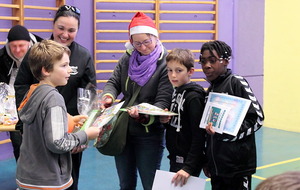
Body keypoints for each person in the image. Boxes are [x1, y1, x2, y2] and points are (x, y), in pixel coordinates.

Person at [14, 5, 96, 190]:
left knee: (68, 175)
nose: (65, 34)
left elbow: (89, 92)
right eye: (61, 28)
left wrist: (78, 127)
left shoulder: (83, 55)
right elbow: (21, 86)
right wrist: (26, 121)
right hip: (41, 130)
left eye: (71, 30)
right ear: (53, 25)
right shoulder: (37, 53)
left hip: (71, 129)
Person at [100, 12, 173, 190]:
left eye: (147, 42)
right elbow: (114, 81)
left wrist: (144, 117)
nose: (142, 47)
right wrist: (108, 96)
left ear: (155, 37)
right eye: (137, 43)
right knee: (125, 183)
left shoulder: (165, 63)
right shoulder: (128, 58)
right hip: (123, 130)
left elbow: (163, 100)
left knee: (150, 184)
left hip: (149, 135)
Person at [199, 40, 265, 190]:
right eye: (203, 61)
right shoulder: (210, 91)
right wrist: (207, 160)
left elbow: (257, 118)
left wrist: (228, 135)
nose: (207, 65)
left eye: (212, 60)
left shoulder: (236, 82)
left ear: (226, 61)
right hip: (217, 168)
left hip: (237, 167)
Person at [160, 48, 206, 186]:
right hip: (176, 156)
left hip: (187, 161)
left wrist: (189, 167)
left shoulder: (194, 97)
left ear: (190, 72)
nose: (173, 75)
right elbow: (179, 123)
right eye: (169, 70)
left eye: (179, 70)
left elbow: (199, 135)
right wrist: (166, 122)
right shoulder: (176, 92)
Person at [0, 25, 42, 161]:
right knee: (18, 142)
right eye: (13, 46)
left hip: (36, 100)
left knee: (39, 143)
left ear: (29, 44)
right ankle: (23, 174)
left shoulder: (42, 52)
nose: (17, 50)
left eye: (21, 46)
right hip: (12, 106)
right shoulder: (2, 57)